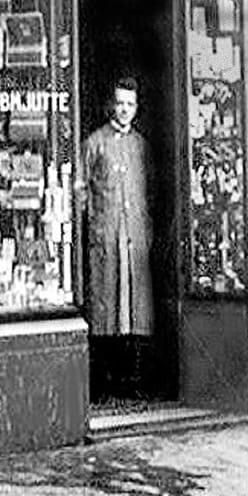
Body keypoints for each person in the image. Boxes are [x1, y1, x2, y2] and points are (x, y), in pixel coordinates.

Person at [82, 76, 154, 401]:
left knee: (135, 310)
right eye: (120, 103)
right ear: (111, 104)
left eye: (130, 104)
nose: (124, 110)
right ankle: (103, 384)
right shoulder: (95, 143)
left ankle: (132, 381)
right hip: (107, 239)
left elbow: (149, 192)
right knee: (105, 309)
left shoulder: (140, 145)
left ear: (136, 107)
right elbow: (81, 192)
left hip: (134, 238)